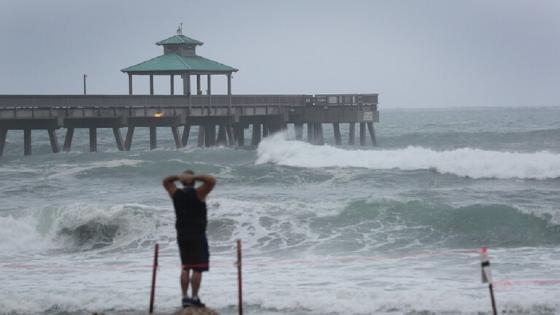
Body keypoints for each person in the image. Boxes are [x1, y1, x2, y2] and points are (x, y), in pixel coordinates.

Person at [163, 170, 216, 308]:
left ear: (181, 182)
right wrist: (196, 176)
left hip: (182, 234)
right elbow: (211, 180)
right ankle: (194, 297)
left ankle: (184, 297)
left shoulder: (175, 193)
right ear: (194, 182)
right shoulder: (199, 193)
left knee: (186, 267)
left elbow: (166, 181)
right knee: (198, 268)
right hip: (197, 235)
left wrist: (177, 176)